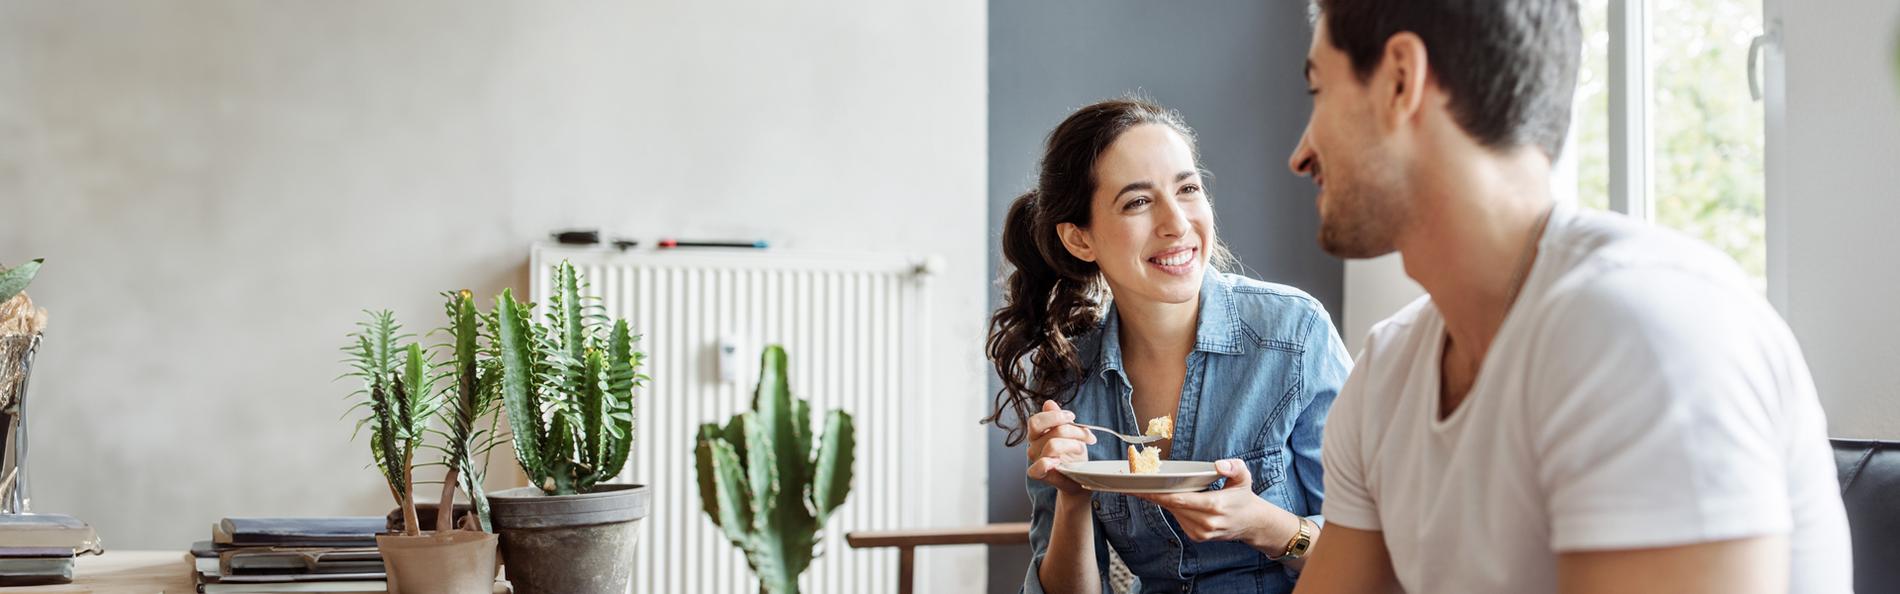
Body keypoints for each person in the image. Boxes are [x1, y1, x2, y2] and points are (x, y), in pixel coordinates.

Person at [1283, 2, 1853, 592]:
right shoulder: (1385, 374)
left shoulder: (1640, 334)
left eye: (1318, 91)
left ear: (1401, 80)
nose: (1300, 155)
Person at [988, 97, 1352, 594]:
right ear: (1080, 240)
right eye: (1138, 202)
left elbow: (1372, 559)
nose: (1176, 223)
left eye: (1187, 189)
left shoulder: (1293, 334)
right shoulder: (1068, 374)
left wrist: (1264, 526)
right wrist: (1072, 496)